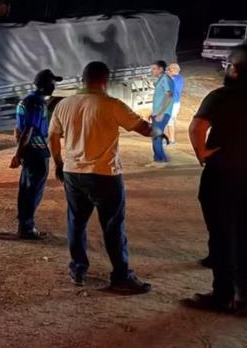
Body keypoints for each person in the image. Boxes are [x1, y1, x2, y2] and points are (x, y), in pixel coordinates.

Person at [48, 61, 162, 293]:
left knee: (76, 222)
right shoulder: (111, 104)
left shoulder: (64, 104)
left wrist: (59, 163)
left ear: (83, 80)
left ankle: (78, 269)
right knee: (112, 225)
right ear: (105, 81)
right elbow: (143, 128)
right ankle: (120, 276)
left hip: (73, 173)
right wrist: (159, 131)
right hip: (104, 174)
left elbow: (52, 136)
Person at [187, 45, 247, 312]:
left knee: (221, 236)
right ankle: (242, 293)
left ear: (236, 70)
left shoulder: (220, 96)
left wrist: (202, 153)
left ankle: (222, 294)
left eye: (228, 64)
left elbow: (197, 127)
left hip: (222, 179)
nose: (226, 68)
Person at [10, 69, 63, 240]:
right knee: (33, 191)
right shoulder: (36, 103)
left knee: (26, 189)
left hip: (29, 152)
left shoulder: (24, 101)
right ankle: (27, 227)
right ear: (45, 85)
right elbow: (28, 130)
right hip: (37, 152)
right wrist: (18, 154)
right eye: (52, 84)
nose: (54, 87)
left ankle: (24, 224)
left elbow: (17, 130)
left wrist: (19, 151)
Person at [146, 60, 174, 167]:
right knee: (156, 137)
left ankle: (159, 160)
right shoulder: (162, 79)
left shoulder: (165, 80)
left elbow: (169, 95)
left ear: (161, 69)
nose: (152, 71)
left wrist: (161, 113)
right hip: (159, 113)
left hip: (163, 113)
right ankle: (160, 159)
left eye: (154, 68)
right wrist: (154, 113)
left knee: (156, 138)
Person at [165, 63, 184, 145]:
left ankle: (171, 139)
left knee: (170, 121)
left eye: (170, 69)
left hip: (173, 103)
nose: (168, 70)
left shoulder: (179, 79)